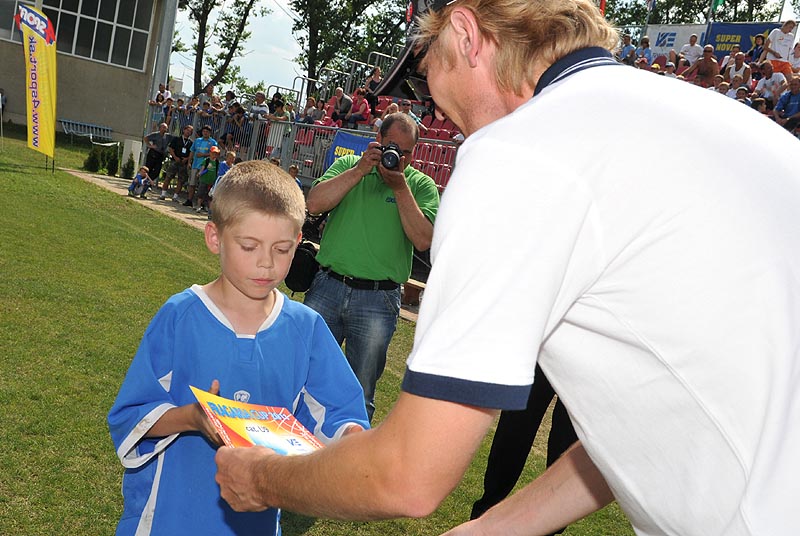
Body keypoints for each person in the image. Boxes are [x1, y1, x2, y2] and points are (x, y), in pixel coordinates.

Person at [214, 2, 800, 536]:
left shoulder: (521, 151)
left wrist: (260, 478)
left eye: (425, 77)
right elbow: (647, 423)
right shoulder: (715, 120)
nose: (437, 110)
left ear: (465, 34)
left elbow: (409, 473)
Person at [108, 160, 369, 536]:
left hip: (255, 522)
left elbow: (339, 415)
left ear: (298, 242)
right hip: (169, 519)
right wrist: (192, 418)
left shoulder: (306, 328)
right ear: (215, 238)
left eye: (282, 249)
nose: (266, 263)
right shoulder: (181, 316)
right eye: (249, 246)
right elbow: (130, 415)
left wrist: (354, 440)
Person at [301, 112, 439, 421]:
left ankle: (349, 450)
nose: (398, 157)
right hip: (327, 287)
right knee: (304, 375)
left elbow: (423, 239)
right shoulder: (350, 165)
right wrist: (361, 170)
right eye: (392, 147)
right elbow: (314, 203)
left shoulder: (420, 185)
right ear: (378, 140)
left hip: (378, 299)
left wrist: (400, 187)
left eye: (406, 152)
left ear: (414, 152)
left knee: (360, 392)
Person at [470, 364, 577, 536]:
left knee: (566, 452)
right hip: (545, 357)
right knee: (513, 434)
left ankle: (549, 527)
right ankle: (484, 514)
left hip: (588, 372)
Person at [186, 125, 218, 208]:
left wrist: (203, 155)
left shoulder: (213, 142)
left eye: (207, 132)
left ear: (210, 133)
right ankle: (189, 200)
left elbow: (215, 154)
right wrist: (189, 162)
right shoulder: (197, 140)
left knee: (203, 186)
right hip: (195, 164)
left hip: (206, 167)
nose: (205, 133)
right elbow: (192, 151)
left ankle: (201, 203)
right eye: (204, 131)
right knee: (192, 183)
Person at [160, 125, 194, 202]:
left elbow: (192, 153)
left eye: (190, 131)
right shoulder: (176, 139)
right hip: (175, 160)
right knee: (168, 177)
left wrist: (186, 159)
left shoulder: (191, 142)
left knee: (181, 180)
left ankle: (175, 196)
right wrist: (175, 157)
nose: (188, 132)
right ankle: (163, 194)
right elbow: (171, 148)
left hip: (184, 163)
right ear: (184, 130)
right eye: (187, 130)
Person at [143, 123, 170, 188]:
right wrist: (150, 146)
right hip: (153, 153)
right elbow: (146, 138)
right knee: (148, 169)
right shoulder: (155, 134)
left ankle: (148, 182)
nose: (165, 129)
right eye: (163, 127)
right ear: (160, 128)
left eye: (166, 128)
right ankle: (144, 183)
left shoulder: (168, 136)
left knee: (157, 171)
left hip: (160, 155)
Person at [195, 146, 221, 213]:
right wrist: (200, 173)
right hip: (204, 180)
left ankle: (208, 208)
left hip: (212, 181)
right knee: (201, 194)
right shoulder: (206, 160)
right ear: (210, 153)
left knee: (209, 196)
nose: (214, 155)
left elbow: (218, 171)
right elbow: (203, 168)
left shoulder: (217, 162)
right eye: (213, 153)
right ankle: (198, 206)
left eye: (216, 153)